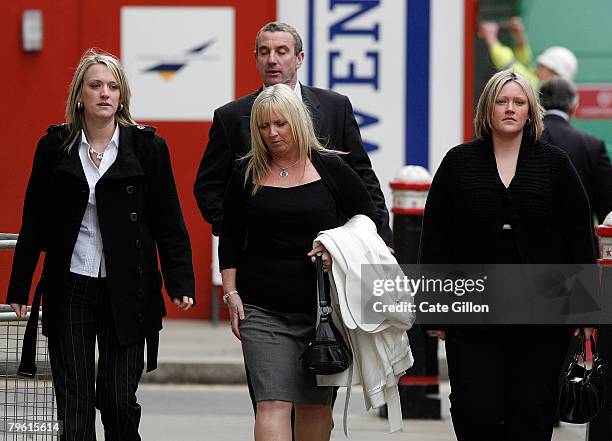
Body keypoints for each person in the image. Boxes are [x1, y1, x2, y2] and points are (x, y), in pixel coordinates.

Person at [6, 48, 195, 441]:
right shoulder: (55, 147)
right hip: (70, 285)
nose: (104, 94)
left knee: (117, 398)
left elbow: (169, 222)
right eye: (95, 86)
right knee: (73, 402)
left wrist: (180, 283)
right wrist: (20, 285)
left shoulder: (147, 148)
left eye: (113, 87)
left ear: (122, 97)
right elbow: (34, 218)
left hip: (128, 288)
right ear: (80, 95)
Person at [419, 70, 596, 440]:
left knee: (531, 409)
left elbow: (579, 238)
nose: (510, 109)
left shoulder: (555, 164)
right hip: (472, 309)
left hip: (542, 314)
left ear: (531, 112)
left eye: (519, 102)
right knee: (473, 406)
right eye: (502, 101)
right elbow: (437, 236)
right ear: (487, 109)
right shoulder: (459, 162)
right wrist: (433, 309)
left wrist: (586, 312)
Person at [219, 83, 381, 441]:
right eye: (263, 126)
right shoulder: (245, 173)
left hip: (320, 311)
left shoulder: (331, 168)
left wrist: (336, 247)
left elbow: (368, 219)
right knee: (272, 403)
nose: (272, 133)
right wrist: (231, 292)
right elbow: (229, 236)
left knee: (314, 406)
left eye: (280, 124)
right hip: (261, 308)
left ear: (297, 121)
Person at [193, 21, 392, 247]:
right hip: (262, 257)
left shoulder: (335, 107)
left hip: (328, 249)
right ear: (256, 58)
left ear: (299, 58)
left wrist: (381, 238)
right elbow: (208, 188)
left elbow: (363, 176)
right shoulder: (230, 117)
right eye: (264, 52)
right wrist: (239, 232)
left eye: (282, 51)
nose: (272, 60)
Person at [540, 77, 612, 226]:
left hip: (529, 243)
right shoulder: (593, 146)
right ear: (574, 107)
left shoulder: (522, 140)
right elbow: (607, 212)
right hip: (580, 244)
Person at [479, 16, 578, 87]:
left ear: (554, 75)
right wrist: (520, 37)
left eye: (542, 67)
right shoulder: (550, 91)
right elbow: (525, 64)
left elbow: (509, 65)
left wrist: (491, 38)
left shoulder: (536, 87)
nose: (536, 69)